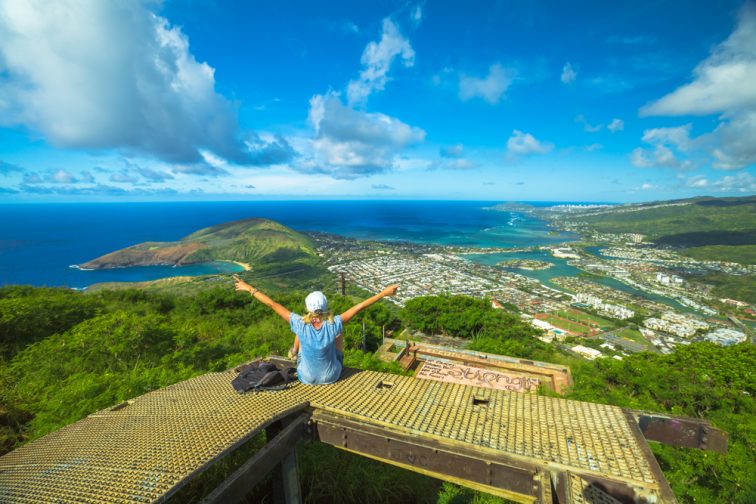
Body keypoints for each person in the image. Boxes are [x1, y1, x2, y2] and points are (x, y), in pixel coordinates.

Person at [233, 275, 399, 385]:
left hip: (306, 377)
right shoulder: (334, 324)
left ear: (307, 307)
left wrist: (249, 288)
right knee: (338, 334)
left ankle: (293, 350)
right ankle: (303, 353)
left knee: (301, 329)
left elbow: (272, 304)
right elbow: (360, 306)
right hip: (331, 376)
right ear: (325, 307)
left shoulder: (299, 322)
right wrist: (383, 293)